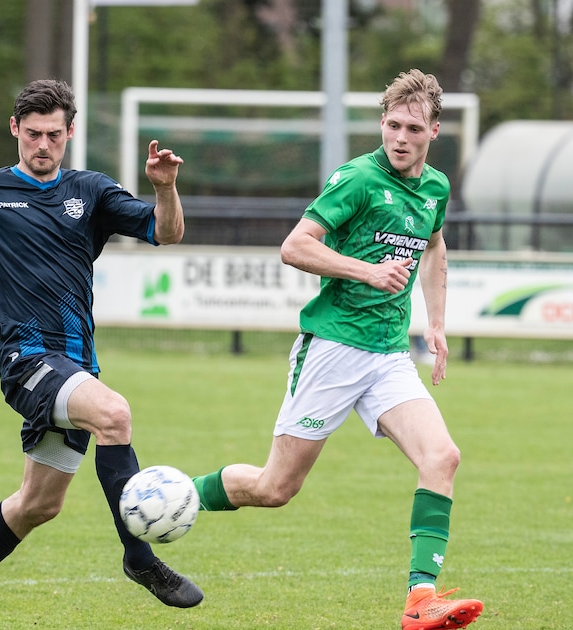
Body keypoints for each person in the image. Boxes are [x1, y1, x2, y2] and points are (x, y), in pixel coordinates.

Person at [0, 79, 202, 628]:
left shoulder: (92, 190)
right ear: (15, 128)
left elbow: (166, 231)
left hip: (77, 366)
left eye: (53, 135)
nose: (42, 144)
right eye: (33, 133)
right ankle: (140, 558)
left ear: (70, 133)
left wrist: (166, 188)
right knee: (114, 414)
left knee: (37, 505)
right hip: (27, 361)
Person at [189, 69, 483, 630]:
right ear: (382, 123)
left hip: (389, 356)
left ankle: (420, 599)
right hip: (333, 349)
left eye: (413, 128)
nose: (400, 138)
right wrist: (367, 271)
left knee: (442, 457)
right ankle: (181, 494)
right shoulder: (357, 179)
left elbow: (434, 247)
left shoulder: (436, 188)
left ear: (434, 131)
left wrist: (438, 324)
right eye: (392, 125)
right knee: (276, 488)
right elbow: (294, 246)